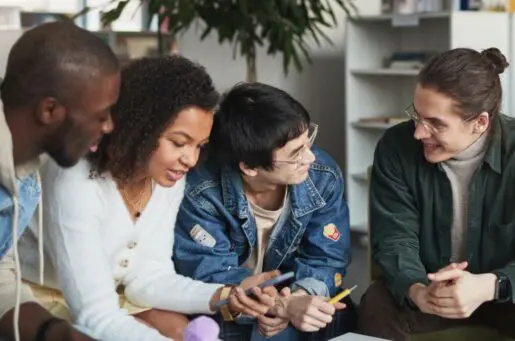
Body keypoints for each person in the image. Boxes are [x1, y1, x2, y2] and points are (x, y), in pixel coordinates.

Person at [17, 55, 280, 341]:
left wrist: (227, 294)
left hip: (107, 298)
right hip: (36, 302)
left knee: (178, 328)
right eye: (179, 143)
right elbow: (94, 314)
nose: (190, 159)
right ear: (139, 127)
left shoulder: (165, 179)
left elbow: (148, 278)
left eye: (199, 146)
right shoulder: (75, 180)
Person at [174, 82, 357, 341]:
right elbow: (209, 273)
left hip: (292, 290)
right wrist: (275, 308)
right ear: (249, 167)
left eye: (308, 142)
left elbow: (326, 258)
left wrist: (298, 300)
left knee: (337, 313)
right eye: (296, 153)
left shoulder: (321, 176)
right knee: (215, 324)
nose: (310, 158)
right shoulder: (200, 189)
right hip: (231, 297)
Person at [358, 47, 515, 341]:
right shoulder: (396, 146)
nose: (418, 132)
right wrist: (417, 291)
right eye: (417, 116)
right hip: (429, 286)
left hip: (503, 292)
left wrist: (490, 286)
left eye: (436, 124)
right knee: (376, 305)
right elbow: (394, 236)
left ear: (480, 122)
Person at [0, 21, 120, 341]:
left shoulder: (22, 173)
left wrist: (55, 333)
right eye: (101, 113)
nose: (108, 126)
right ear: (50, 110)